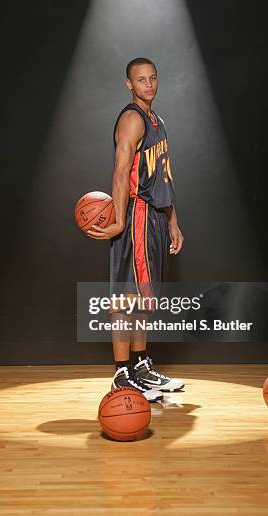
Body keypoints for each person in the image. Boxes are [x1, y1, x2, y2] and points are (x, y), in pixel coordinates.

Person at [86, 57, 184, 402]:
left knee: (143, 296)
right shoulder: (132, 119)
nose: (149, 85)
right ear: (129, 84)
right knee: (125, 296)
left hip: (156, 217)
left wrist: (172, 220)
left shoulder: (157, 120)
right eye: (141, 80)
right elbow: (120, 169)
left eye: (153, 78)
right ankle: (121, 371)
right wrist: (117, 219)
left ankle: (141, 366)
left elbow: (162, 176)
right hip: (136, 216)